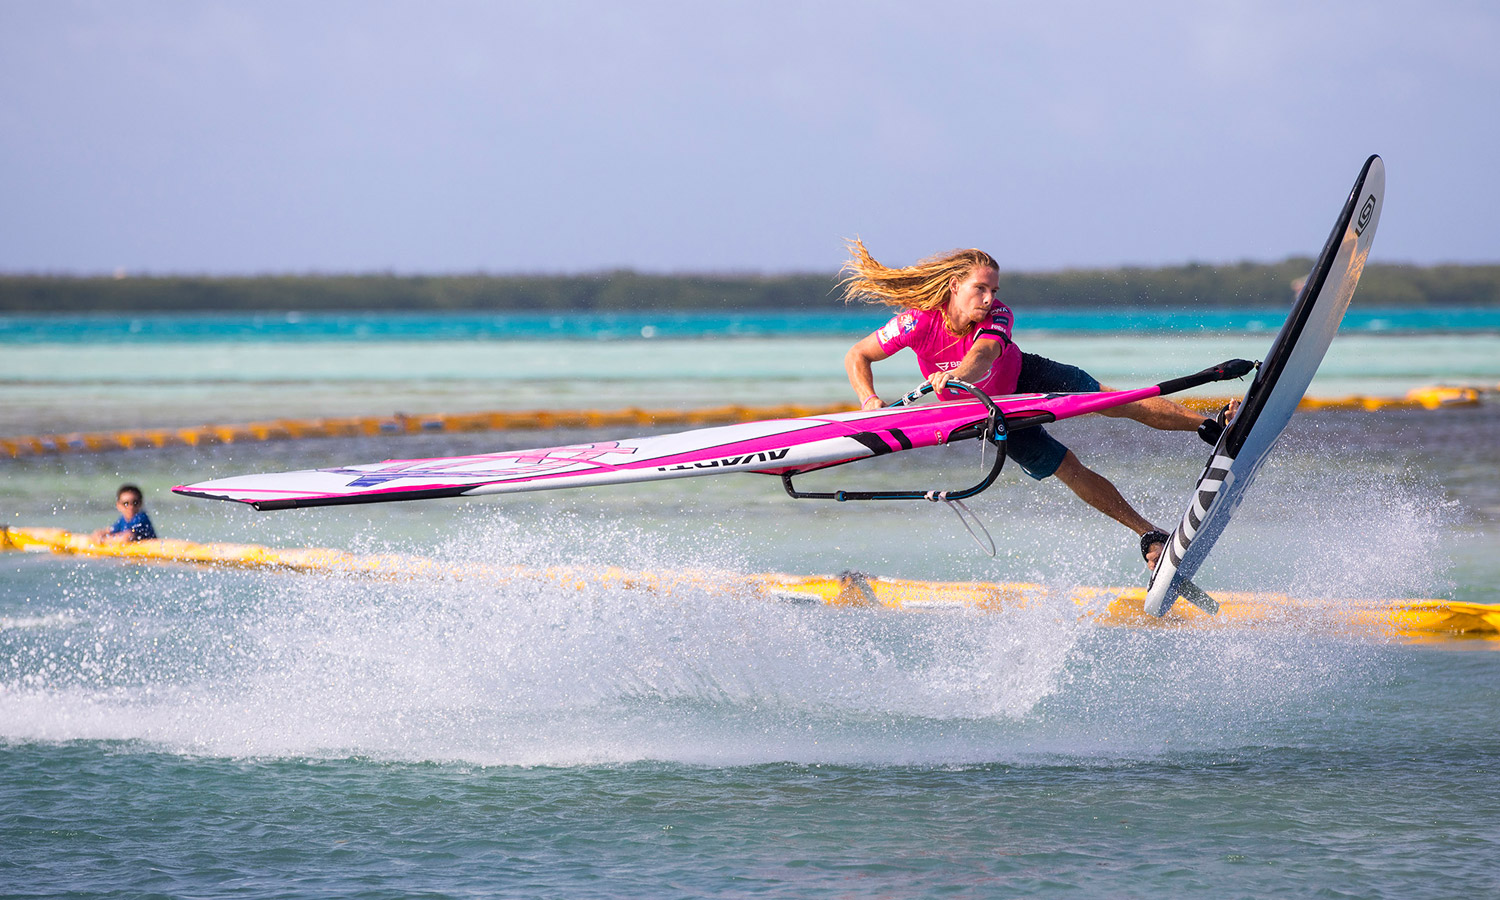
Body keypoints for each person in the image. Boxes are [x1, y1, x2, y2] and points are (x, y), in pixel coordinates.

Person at [841, 240, 1232, 570]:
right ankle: (1149, 534)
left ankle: (1212, 425)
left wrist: (956, 373)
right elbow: (858, 355)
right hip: (990, 415)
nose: (990, 297)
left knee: (1113, 401)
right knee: (1068, 468)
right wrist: (869, 400)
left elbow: (985, 355)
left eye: (993, 290)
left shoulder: (998, 315)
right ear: (954, 285)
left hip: (1027, 375)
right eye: (980, 288)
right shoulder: (916, 323)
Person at [91, 484, 157, 544]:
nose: (131, 507)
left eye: (135, 503)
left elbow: (127, 538)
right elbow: (108, 531)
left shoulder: (141, 518)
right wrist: (100, 534)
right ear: (118, 505)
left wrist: (103, 541)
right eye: (126, 503)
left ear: (141, 503)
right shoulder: (122, 520)